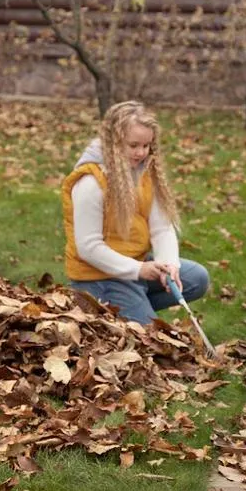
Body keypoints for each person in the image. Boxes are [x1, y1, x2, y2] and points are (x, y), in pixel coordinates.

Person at [61, 101, 209, 325]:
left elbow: (161, 227)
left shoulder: (144, 172)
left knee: (197, 278)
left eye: (146, 145)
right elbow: (88, 247)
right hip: (99, 277)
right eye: (133, 145)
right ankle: (113, 308)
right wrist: (138, 270)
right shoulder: (90, 182)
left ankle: (134, 307)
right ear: (113, 142)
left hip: (136, 266)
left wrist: (168, 266)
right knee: (150, 339)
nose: (141, 153)